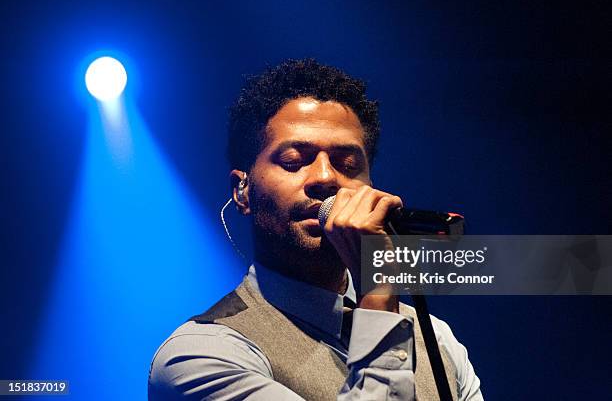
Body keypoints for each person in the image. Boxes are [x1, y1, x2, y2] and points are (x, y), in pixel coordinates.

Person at [148, 59, 483, 400]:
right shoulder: (201, 356)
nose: (325, 178)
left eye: (348, 165)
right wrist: (379, 291)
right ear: (242, 191)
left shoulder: (436, 341)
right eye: (294, 161)